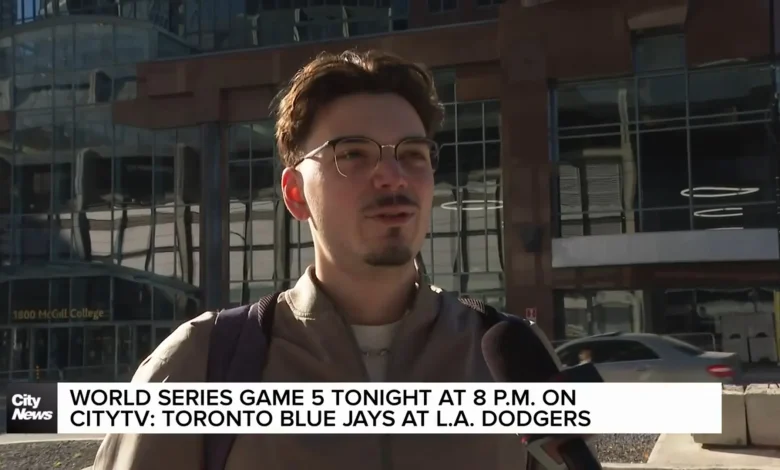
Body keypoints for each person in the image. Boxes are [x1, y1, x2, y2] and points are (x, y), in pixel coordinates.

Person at [93, 49, 565, 470]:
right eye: (353, 154)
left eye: (413, 154)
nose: (392, 176)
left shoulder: (506, 358)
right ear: (296, 194)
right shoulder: (202, 362)